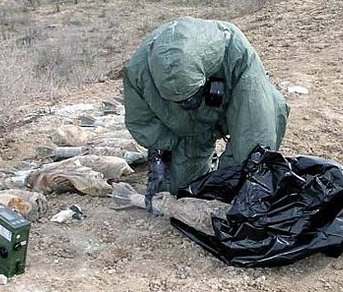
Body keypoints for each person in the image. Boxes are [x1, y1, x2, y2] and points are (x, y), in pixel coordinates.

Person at [123, 16, 290, 211]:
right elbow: (143, 121)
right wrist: (159, 156)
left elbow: (256, 128)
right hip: (188, 127)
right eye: (179, 100)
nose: (187, 103)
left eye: (190, 96)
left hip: (232, 110)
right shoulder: (138, 72)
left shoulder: (235, 51)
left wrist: (239, 180)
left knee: (245, 169)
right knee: (183, 191)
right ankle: (206, 169)